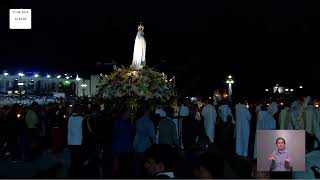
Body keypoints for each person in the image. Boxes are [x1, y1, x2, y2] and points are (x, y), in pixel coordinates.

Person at [133, 108, 157, 177]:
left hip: (136, 146)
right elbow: (152, 135)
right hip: (145, 147)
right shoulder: (149, 122)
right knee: (146, 168)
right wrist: (155, 145)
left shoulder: (137, 121)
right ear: (147, 112)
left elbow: (136, 134)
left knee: (137, 168)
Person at [67, 104, 84, 178]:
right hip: (78, 142)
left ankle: (72, 175)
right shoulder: (82, 119)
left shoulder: (70, 118)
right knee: (78, 162)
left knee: (73, 161)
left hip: (70, 142)